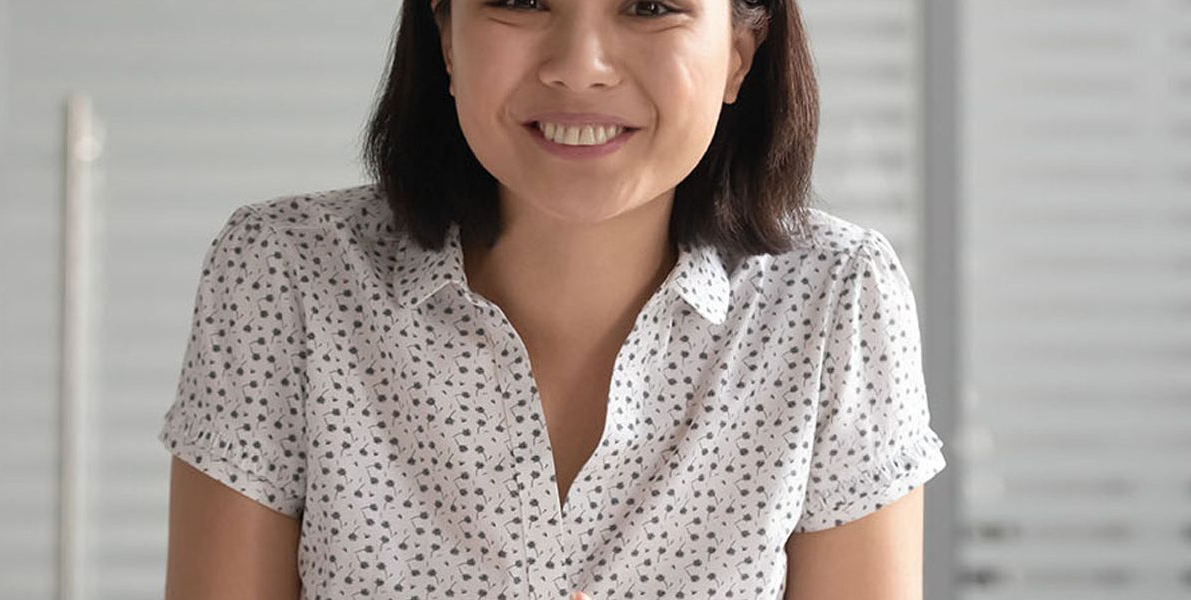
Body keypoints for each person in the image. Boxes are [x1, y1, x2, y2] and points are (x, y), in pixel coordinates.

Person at [159, 0, 948, 598]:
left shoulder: (836, 300)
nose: (580, 66)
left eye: (650, 5)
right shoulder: (285, 275)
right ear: (446, 35)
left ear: (740, 51)